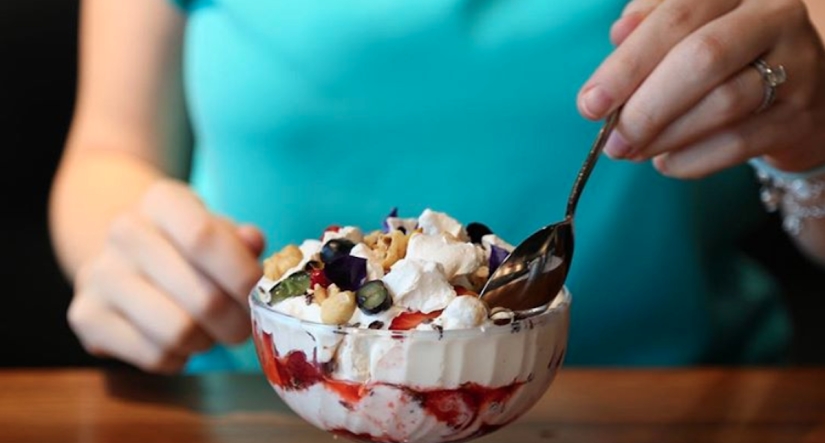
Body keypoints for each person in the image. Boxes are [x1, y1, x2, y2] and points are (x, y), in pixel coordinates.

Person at [50, 0, 825, 373]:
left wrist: (809, 142)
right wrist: (133, 251)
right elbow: (108, 151)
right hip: (251, 432)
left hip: (676, 441)